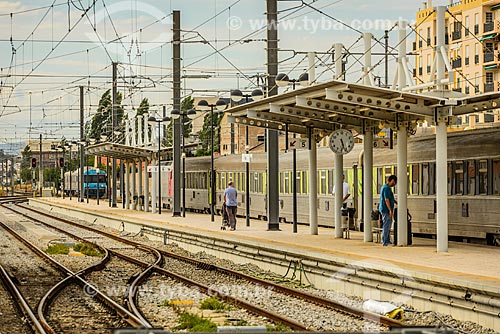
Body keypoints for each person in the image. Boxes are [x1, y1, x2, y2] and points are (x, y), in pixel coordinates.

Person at [379, 175, 397, 246]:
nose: (394, 184)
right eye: (395, 182)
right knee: (387, 225)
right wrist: (390, 210)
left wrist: (395, 202)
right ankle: (385, 241)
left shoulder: (385, 187)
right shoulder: (387, 188)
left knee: (387, 225)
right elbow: (387, 200)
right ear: (392, 180)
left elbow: (390, 198)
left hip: (384, 209)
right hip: (386, 210)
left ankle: (387, 240)